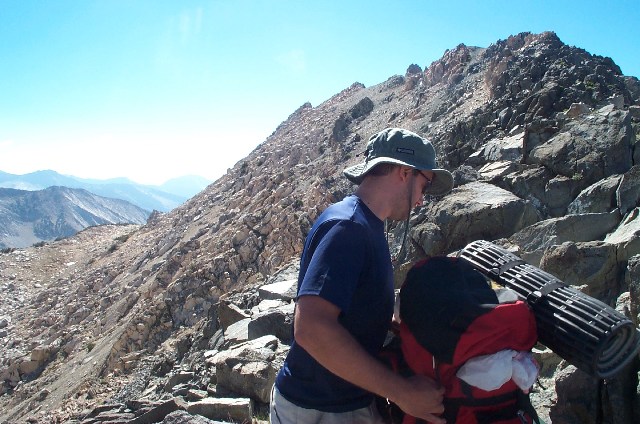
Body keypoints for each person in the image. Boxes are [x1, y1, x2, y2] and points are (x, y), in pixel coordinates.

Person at [271, 127, 454, 424]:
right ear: (405, 173)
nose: (422, 199)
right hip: (321, 409)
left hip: (337, 401)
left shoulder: (363, 222)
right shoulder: (349, 228)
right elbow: (311, 327)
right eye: (425, 184)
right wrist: (402, 392)